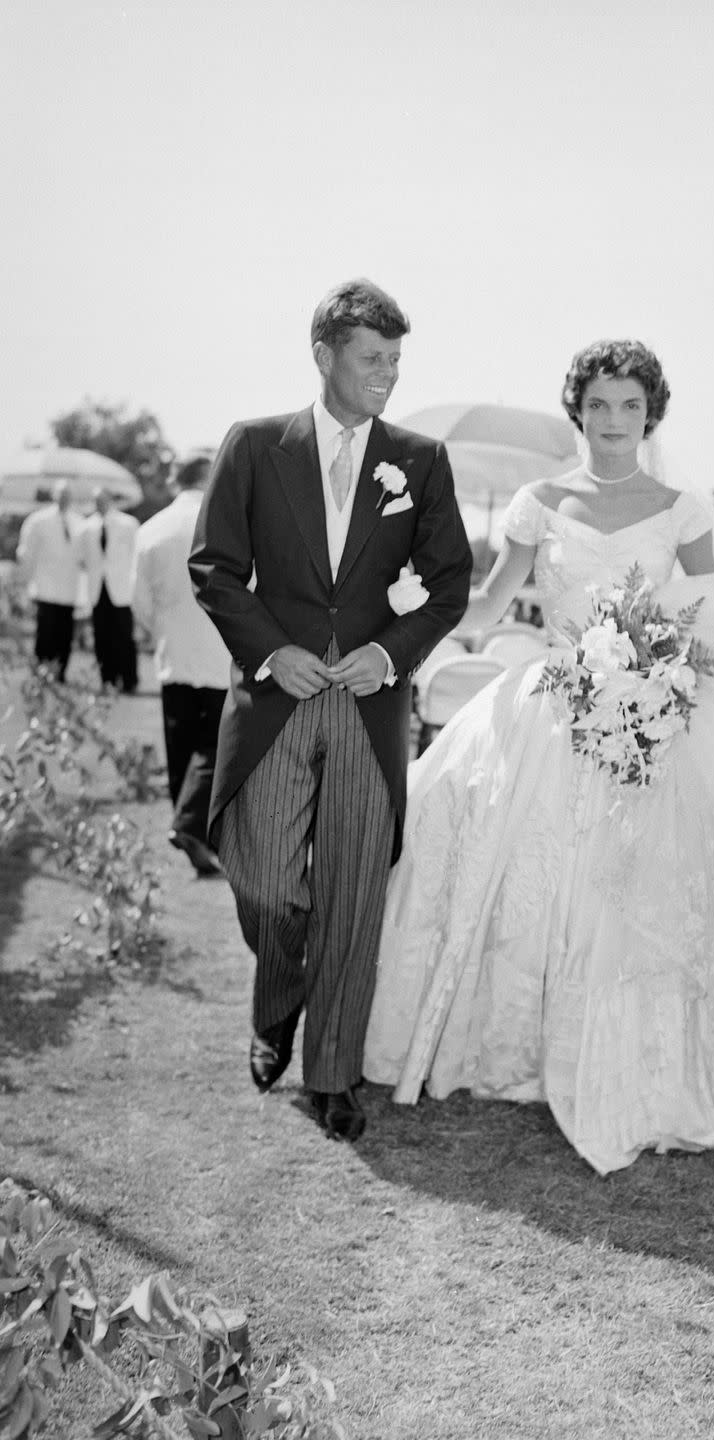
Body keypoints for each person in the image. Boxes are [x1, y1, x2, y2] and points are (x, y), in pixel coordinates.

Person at [364, 338, 714, 1174]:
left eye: (631, 406)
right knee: (499, 854)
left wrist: (657, 666)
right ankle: (515, 1045)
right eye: (601, 404)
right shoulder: (540, 502)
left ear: (652, 415)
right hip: (549, 706)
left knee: (642, 885)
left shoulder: (681, 509)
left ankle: (642, 1058)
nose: (615, 421)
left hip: (649, 713)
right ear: (578, 408)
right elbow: (491, 601)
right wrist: (398, 606)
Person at [189, 278, 473, 1142]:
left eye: (395, 360)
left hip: (369, 704)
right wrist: (274, 651)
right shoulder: (252, 445)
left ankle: (335, 1072)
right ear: (324, 356)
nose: (386, 373)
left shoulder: (420, 460)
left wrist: (388, 655)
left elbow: (450, 583)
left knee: (353, 891)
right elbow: (215, 568)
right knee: (266, 877)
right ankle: (278, 997)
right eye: (370, 358)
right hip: (276, 698)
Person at [132, 452, 231, 877]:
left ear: (178, 480)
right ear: (210, 478)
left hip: (173, 653)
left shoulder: (151, 529)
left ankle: (186, 825)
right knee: (215, 745)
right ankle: (193, 828)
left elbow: (137, 601)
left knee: (182, 746)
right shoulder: (228, 522)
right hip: (221, 650)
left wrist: (163, 631)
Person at [16, 480, 83, 681]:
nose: (64, 498)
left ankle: (60, 671)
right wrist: (26, 582)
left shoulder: (78, 522)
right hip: (46, 587)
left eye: (67, 494)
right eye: (61, 494)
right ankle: (41, 671)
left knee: (64, 634)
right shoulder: (38, 520)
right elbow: (26, 553)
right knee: (46, 633)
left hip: (69, 589)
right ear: (54, 495)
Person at [79, 488, 140, 692]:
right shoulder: (87, 527)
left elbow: (135, 557)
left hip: (121, 590)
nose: (100, 504)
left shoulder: (128, 524)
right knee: (102, 637)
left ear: (110, 500)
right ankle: (108, 678)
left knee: (124, 636)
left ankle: (129, 679)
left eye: (103, 500)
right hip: (98, 590)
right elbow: (85, 560)